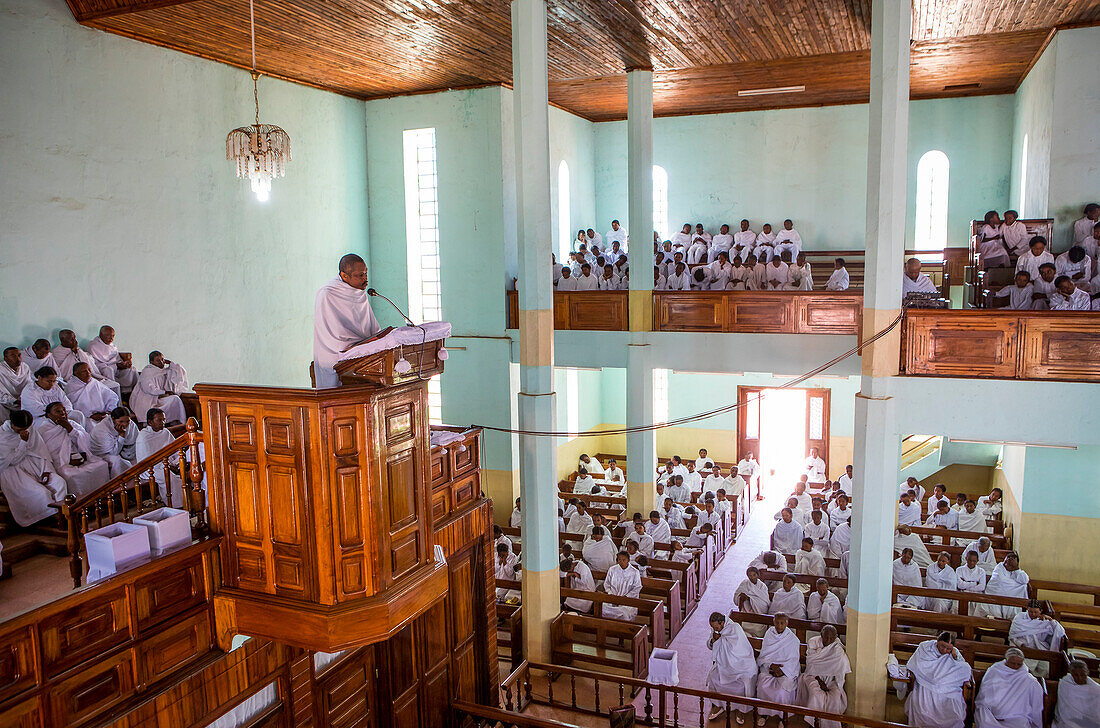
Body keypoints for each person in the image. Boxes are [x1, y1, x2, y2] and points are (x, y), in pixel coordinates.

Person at [313, 254, 381, 388]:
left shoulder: (359, 290)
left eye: (366, 273)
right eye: (360, 275)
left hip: (362, 356)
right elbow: (332, 333)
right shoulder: (328, 293)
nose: (365, 278)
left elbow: (370, 328)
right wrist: (358, 347)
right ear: (344, 276)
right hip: (335, 356)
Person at [0, 410, 69, 526]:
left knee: (60, 483)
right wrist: (23, 442)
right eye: (19, 429)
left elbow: (41, 451)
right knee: (41, 493)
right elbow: (11, 460)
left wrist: (46, 470)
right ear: (12, 424)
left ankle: (64, 515)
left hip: (35, 465)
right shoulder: (2, 436)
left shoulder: (30, 430)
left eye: (26, 428)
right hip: (12, 470)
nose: (24, 431)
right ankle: (53, 517)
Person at [37, 402, 110, 498]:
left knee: (101, 465)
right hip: (61, 463)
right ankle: (80, 502)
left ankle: (103, 497)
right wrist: (67, 460)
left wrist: (70, 429)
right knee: (71, 475)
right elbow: (49, 452)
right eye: (57, 411)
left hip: (80, 457)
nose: (63, 413)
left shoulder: (72, 423)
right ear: (49, 415)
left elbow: (86, 441)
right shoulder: (43, 430)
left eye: (63, 410)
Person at [902, 633, 972, 728]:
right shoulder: (925, 647)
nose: (944, 650)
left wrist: (955, 657)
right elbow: (915, 664)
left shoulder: (954, 652)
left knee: (956, 715)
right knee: (922, 712)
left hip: (947, 688)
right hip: (925, 685)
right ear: (937, 641)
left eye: (948, 649)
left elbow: (963, 667)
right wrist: (934, 676)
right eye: (942, 646)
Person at [704, 612, 758, 723]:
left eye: (716, 627)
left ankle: (741, 710)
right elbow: (710, 645)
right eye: (713, 627)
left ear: (723, 623)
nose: (714, 629)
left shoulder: (735, 628)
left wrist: (721, 639)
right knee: (714, 677)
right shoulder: (716, 629)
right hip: (725, 664)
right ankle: (720, 704)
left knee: (745, 682)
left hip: (741, 664)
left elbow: (739, 648)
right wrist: (714, 640)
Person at [974, 649, 1044, 728]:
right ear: (1006, 660)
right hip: (992, 713)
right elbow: (985, 692)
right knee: (984, 722)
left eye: (1019, 664)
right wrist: (992, 706)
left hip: (1016, 716)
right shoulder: (994, 671)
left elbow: (1036, 702)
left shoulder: (1028, 679)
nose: (1015, 666)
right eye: (1013, 663)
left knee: (1021, 724)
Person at [135, 407, 189, 507]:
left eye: (164, 419)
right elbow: (147, 460)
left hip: (167, 463)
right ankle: (176, 506)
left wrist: (178, 462)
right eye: (159, 420)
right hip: (150, 468)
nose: (163, 422)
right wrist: (168, 466)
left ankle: (188, 502)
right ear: (150, 422)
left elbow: (175, 449)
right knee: (169, 477)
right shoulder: (143, 437)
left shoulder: (165, 432)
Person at [798, 625, 849, 728]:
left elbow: (841, 667)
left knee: (835, 697)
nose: (828, 640)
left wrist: (837, 684)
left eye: (831, 638)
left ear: (836, 637)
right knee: (816, 695)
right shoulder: (813, 642)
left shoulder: (837, 648)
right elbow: (812, 665)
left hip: (831, 679)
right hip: (813, 676)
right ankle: (813, 723)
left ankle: (831, 725)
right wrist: (819, 681)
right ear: (821, 635)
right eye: (826, 637)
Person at [755, 613, 801, 722]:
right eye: (777, 623)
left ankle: (783, 717)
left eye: (782, 623)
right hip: (769, 668)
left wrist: (782, 670)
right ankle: (764, 714)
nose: (779, 626)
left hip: (786, 671)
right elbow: (764, 655)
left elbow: (793, 659)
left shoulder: (792, 638)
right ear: (773, 622)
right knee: (762, 685)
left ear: (787, 623)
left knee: (781, 691)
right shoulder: (769, 634)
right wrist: (771, 666)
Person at [52, 330, 121, 397]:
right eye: (71, 339)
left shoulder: (78, 350)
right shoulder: (57, 352)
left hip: (87, 377)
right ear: (63, 340)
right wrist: (73, 353)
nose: (74, 341)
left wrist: (77, 351)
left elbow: (86, 363)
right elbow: (62, 370)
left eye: (74, 338)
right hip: (70, 379)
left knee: (114, 385)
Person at [1009, 600, 1067, 677]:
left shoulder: (1044, 620)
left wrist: (1050, 619)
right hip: (1023, 647)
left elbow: (1058, 630)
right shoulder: (1019, 618)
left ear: (1040, 611)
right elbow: (1013, 635)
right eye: (1030, 612)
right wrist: (1021, 644)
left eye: (1036, 612)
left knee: (1046, 668)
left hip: (1040, 647)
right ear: (1027, 610)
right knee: (1024, 668)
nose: (1033, 614)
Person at [130, 351, 187, 425]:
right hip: (147, 400)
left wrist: (170, 362)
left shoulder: (163, 371)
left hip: (158, 398)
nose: (161, 362)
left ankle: (178, 422)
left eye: (162, 359)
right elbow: (148, 389)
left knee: (175, 399)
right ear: (152, 362)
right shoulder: (147, 371)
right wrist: (164, 392)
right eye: (158, 360)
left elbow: (177, 370)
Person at [976, 552, 1030, 619]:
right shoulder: (999, 567)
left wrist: (1016, 569)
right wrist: (1015, 584)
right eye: (1008, 558)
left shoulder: (1018, 571)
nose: (1009, 561)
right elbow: (1000, 581)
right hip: (996, 595)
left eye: (1012, 560)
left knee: (1023, 587)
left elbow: (1025, 580)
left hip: (1012, 596)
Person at [87, 325, 137, 394]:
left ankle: (128, 392)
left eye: (113, 336)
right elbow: (96, 363)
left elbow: (116, 359)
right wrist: (116, 365)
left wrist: (123, 364)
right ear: (101, 335)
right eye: (108, 335)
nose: (111, 338)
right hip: (101, 368)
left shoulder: (112, 346)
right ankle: (114, 394)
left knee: (131, 369)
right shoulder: (94, 345)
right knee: (108, 370)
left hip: (115, 366)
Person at [90, 407, 139, 476]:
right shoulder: (102, 429)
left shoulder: (131, 424)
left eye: (127, 421)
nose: (125, 424)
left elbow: (136, 441)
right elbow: (113, 452)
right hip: (105, 454)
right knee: (119, 462)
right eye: (121, 422)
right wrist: (121, 435)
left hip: (124, 451)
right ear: (113, 419)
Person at [1053, 659, 1100, 728]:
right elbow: (1066, 710)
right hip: (1070, 719)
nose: (1080, 678)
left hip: (1089, 719)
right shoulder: (1065, 684)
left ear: (1087, 673)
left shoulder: (1095, 688)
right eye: (1076, 675)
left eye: (1082, 675)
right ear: (1071, 674)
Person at [603, 551, 643, 620]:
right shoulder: (612, 569)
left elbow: (637, 588)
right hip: (613, 598)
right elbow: (607, 584)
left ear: (628, 560)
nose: (621, 562)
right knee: (603, 608)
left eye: (624, 560)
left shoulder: (634, 572)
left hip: (627, 600)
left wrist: (626, 597)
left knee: (624, 612)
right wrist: (611, 594)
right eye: (619, 560)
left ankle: (623, 628)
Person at [0, 347, 33, 424]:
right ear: (6, 358)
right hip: (6, 401)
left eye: (19, 355)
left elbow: (29, 385)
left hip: (23, 400)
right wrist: (14, 401)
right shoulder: (1, 370)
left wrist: (24, 398)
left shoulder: (25, 367)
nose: (17, 359)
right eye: (13, 356)